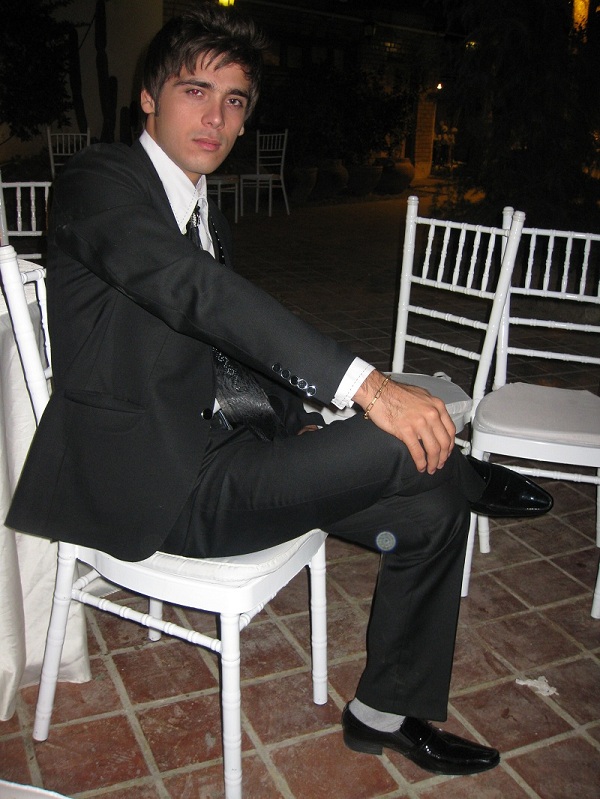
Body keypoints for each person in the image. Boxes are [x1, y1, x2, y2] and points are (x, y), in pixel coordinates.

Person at [6, 4, 552, 777]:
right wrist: (368, 387)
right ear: (149, 98)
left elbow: (233, 349)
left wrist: (297, 419)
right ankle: (467, 468)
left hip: (226, 452)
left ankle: (383, 711)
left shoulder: (204, 207)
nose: (217, 117)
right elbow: (198, 295)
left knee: (430, 505)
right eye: (196, 91)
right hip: (155, 483)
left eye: (234, 101)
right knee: (403, 443)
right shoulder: (100, 183)